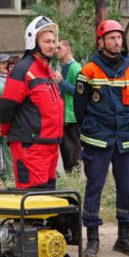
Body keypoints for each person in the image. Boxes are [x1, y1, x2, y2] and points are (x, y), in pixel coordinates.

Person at [74, 19, 129, 257]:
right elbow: (79, 109)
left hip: (125, 138)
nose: (117, 42)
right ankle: (92, 239)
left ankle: (124, 238)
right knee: (94, 188)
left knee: (126, 188)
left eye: (119, 38)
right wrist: (91, 130)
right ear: (101, 41)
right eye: (112, 38)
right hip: (98, 139)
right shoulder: (88, 71)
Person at [0, 16, 64, 189]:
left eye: (53, 41)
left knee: (48, 197)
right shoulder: (22, 69)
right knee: (34, 196)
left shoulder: (46, 70)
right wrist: (5, 130)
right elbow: (6, 107)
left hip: (50, 145)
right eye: (46, 41)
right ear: (33, 42)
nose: (51, 45)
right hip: (31, 146)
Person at [53, 37, 82, 173]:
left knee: (73, 153)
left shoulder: (75, 67)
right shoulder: (65, 67)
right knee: (66, 152)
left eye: (59, 48)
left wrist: (61, 81)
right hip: (64, 116)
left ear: (68, 49)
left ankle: (74, 182)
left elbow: (80, 92)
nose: (55, 50)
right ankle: (70, 180)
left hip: (72, 117)